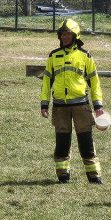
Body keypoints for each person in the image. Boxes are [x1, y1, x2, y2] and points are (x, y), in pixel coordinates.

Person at [39, 18, 105, 184]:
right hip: (60, 107)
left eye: (67, 34)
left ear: (75, 35)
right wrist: (44, 103)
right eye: (62, 34)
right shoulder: (53, 56)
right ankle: (63, 176)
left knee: (86, 142)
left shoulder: (85, 56)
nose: (64, 37)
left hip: (81, 106)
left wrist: (98, 106)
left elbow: (95, 83)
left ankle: (94, 177)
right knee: (62, 143)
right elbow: (46, 83)